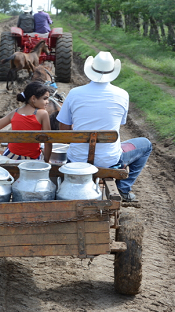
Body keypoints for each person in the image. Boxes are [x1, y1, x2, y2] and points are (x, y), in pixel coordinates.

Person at [56, 51, 152, 202]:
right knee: (146, 145)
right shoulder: (122, 94)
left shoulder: (74, 93)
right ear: (112, 72)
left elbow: (64, 131)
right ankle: (124, 189)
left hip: (76, 160)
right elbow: (119, 124)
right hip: (109, 161)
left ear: (90, 70)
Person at [0, 81, 53, 162]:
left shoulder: (15, 112)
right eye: (45, 98)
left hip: (10, 156)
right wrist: (47, 160)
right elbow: (48, 140)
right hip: (31, 158)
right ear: (33, 98)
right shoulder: (42, 114)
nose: (47, 102)